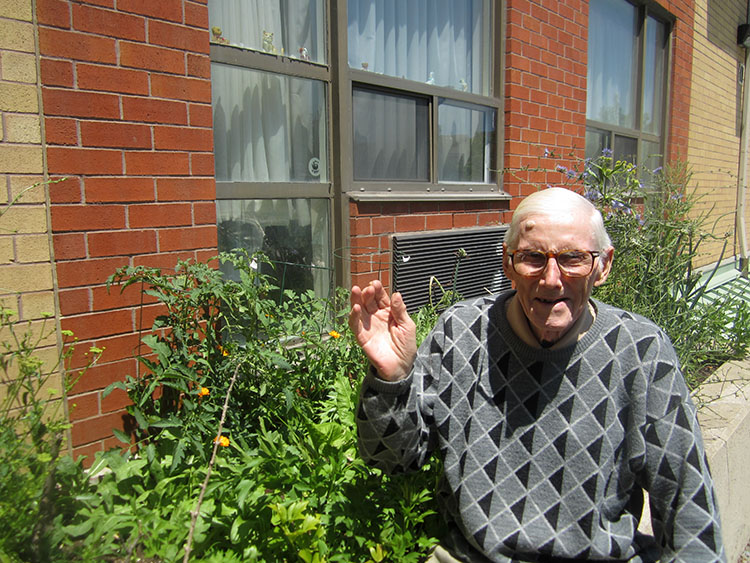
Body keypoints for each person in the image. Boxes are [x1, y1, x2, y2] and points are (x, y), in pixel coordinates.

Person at [349, 187, 725, 562]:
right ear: (507, 262)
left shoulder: (641, 351)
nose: (551, 279)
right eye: (532, 257)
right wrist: (392, 377)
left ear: (603, 265)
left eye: (573, 258)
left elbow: (688, 505)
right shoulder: (461, 333)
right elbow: (392, 459)